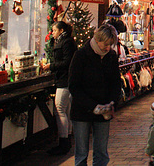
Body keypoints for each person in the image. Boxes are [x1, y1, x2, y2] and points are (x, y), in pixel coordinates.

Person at [69, 24, 121, 166]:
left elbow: (116, 83)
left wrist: (112, 103)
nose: (108, 48)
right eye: (106, 44)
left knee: (101, 151)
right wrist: (93, 106)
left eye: (111, 44)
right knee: (81, 152)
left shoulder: (111, 57)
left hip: (104, 110)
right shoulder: (81, 55)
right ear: (97, 40)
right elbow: (74, 86)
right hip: (82, 110)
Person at [43, 21, 77, 155]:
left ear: (61, 30)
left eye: (54, 31)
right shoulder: (66, 41)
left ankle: (64, 141)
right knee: (66, 111)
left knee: (60, 110)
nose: (53, 33)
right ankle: (66, 140)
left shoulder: (66, 42)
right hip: (66, 80)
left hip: (64, 80)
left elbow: (67, 62)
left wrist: (51, 66)